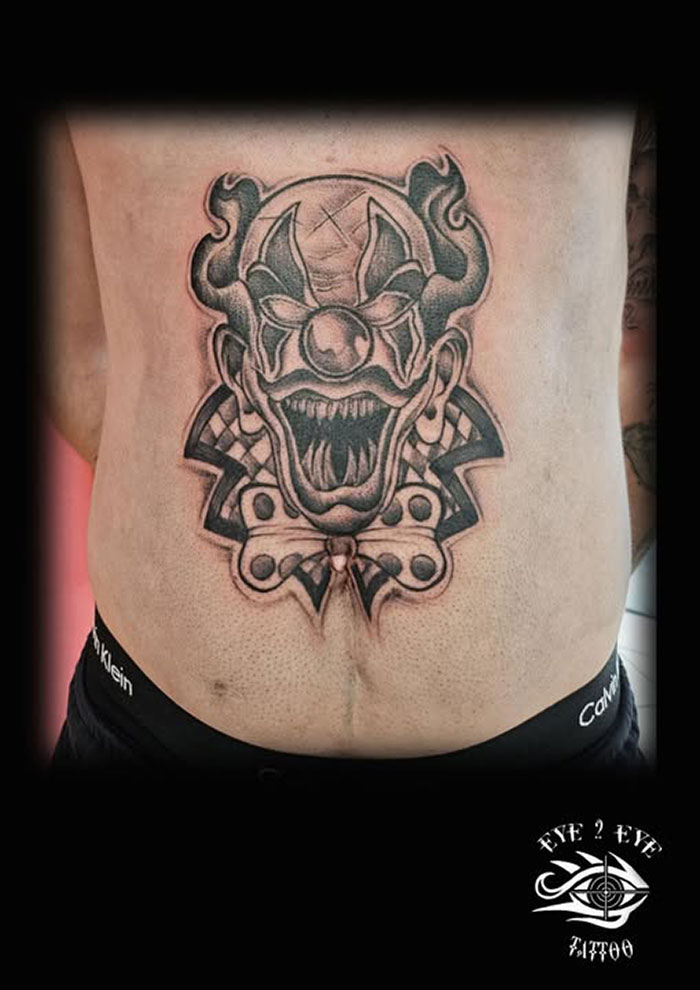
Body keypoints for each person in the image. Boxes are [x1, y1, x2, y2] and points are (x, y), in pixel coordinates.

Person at [41, 105, 656, 786]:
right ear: (237, 368)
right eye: (280, 310)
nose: (335, 346)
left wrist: (562, 570)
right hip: (149, 732)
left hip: (552, 744)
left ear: (444, 368)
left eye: (394, 305)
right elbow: (71, 346)